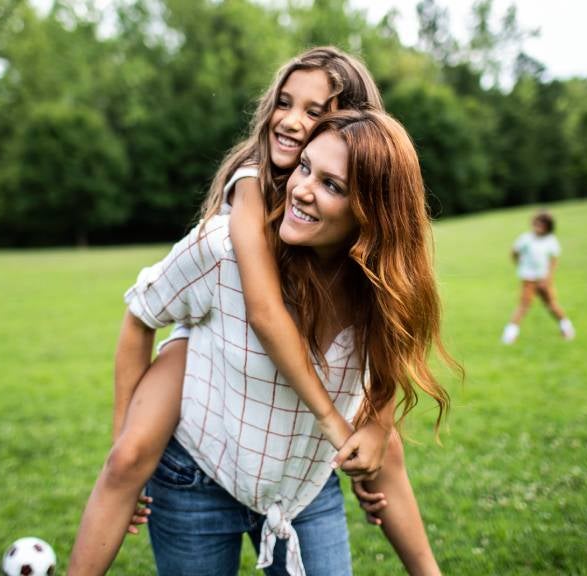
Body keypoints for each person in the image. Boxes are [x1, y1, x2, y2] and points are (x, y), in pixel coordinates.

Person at [68, 49, 447, 575]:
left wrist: (375, 433)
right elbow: (263, 312)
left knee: (387, 449)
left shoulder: (380, 279)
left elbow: (391, 362)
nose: (293, 122)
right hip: (203, 404)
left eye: (315, 114)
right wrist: (337, 426)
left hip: (298, 486)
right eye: (285, 103)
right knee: (129, 456)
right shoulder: (242, 212)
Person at [501, 211, 575, 344]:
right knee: (524, 305)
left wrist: (547, 278)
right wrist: (521, 266)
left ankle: (567, 328)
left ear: (548, 226)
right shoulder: (526, 238)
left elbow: (553, 260)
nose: (538, 226)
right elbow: (514, 252)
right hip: (528, 279)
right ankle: (509, 336)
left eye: (542, 224)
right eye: (536, 223)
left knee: (552, 304)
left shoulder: (550, 240)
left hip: (544, 279)